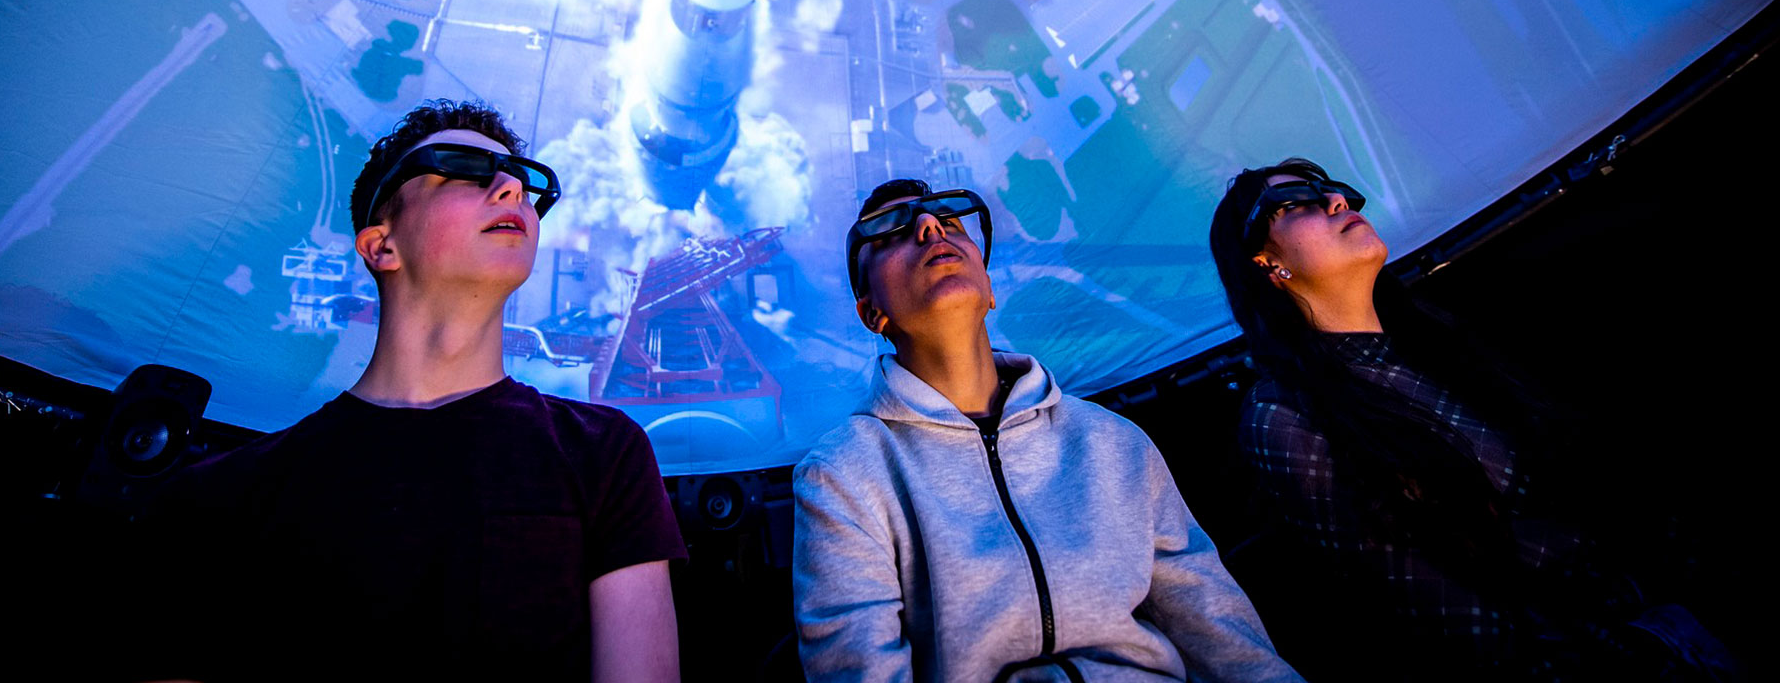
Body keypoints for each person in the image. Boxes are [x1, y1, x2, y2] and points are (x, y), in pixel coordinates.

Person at [136, 100, 685, 681]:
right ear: (380, 246)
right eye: (461, 168)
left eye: (521, 179)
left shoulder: (607, 456)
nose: (510, 190)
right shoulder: (214, 500)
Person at [1209, 158, 1734, 681]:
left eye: (1335, 189)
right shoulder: (1281, 414)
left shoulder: (1436, 339)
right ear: (1264, 262)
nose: (1339, 201)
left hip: (1675, 616)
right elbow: (1433, 611)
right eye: (1296, 201)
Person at [792, 178, 1303, 683]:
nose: (929, 226)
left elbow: (1221, 633)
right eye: (891, 233)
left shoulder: (1113, 442)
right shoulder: (844, 473)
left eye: (949, 221)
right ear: (871, 313)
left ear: (989, 289)